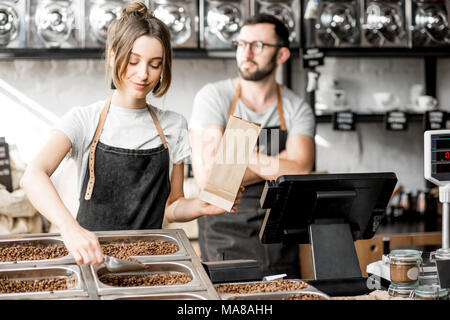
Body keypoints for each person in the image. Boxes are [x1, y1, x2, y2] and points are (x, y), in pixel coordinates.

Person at [20, 1, 240, 267]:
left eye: (155, 64)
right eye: (133, 61)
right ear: (113, 56)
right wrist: (70, 228)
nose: (143, 74)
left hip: (150, 262)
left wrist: (200, 206)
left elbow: (172, 205)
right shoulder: (84, 120)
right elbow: (32, 175)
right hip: (92, 259)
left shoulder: (173, 125)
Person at [189, 14, 315, 278]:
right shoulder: (213, 97)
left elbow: (302, 171)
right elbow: (211, 179)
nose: (246, 52)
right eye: (241, 43)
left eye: (257, 45)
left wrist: (234, 155)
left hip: (279, 241)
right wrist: (279, 163)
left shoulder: (297, 108)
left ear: (281, 55)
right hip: (224, 238)